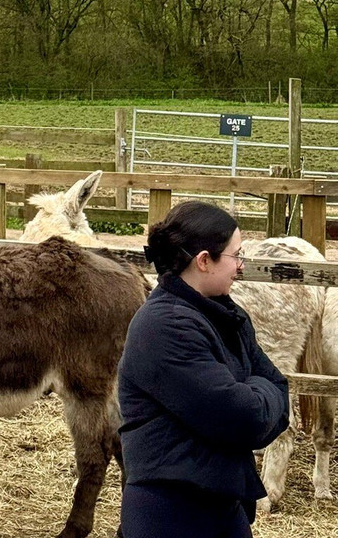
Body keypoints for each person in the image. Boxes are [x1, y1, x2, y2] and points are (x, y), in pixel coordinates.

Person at [118, 200, 289, 538]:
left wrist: (257, 393)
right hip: (172, 514)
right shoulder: (164, 326)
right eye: (236, 255)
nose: (240, 267)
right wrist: (257, 392)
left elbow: (278, 388)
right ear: (204, 261)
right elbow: (243, 418)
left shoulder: (223, 315)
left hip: (219, 507)